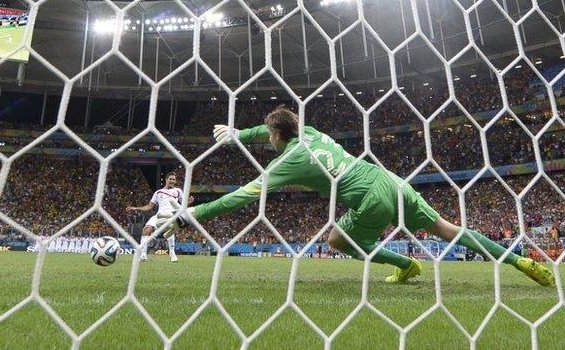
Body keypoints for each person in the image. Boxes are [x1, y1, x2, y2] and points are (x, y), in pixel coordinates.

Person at [157, 106, 555, 286]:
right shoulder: (308, 133)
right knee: (447, 228)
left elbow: (242, 198)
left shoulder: (287, 163)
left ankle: (405, 264)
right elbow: (273, 128)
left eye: (268, 135)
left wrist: (192, 215)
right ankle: (523, 263)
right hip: (390, 179)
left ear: (279, 137)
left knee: (336, 239)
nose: (268, 139)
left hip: (368, 196)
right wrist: (239, 135)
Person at [127, 172, 192, 262]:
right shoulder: (158, 192)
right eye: (171, 179)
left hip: (171, 214)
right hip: (159, 215)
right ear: (166, 180)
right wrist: (136, 208)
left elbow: (183, 205)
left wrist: (189, 202)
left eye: (174, 179)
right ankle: (143, 255)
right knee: (146, 230)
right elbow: (149, 206)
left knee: (170, 228)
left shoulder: (178, 191)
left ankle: (172, 254)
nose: (172, 181)